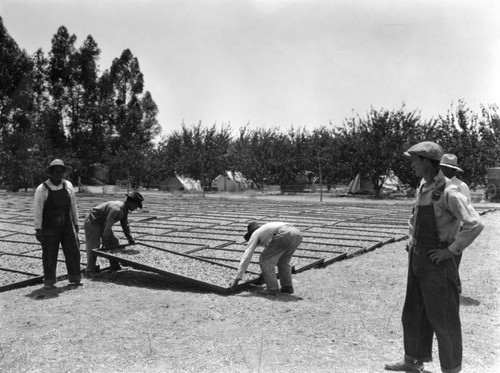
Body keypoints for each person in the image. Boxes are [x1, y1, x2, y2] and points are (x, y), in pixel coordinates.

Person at [385, 141, 484, 373]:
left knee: (444, 317)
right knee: (413, 311)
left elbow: (475, 224)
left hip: (437, 261)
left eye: (415, 161)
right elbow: (415, 217)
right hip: (418, 258)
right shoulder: (423, 187)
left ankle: (451, 369)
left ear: (427, 163)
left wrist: (450, 250)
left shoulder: (449, 192)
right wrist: (412, 240)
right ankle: (412, 361)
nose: (411, 166)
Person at [33, 159, 81, 289]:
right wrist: (38, 229)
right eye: (55, 171)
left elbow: (73, 206)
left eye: (60, 171)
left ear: (63, 173)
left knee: (73, 250)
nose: (58, 174)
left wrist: (76, 223)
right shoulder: (42, 189)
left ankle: (75, 277)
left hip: (67, 222)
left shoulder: (68, 185)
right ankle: (49, 281)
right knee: (49, 252)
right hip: (50, 224)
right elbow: (38, 210)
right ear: (50, 173)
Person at [231, 221, 302, 295]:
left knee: (264, 260)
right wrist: (265, 274)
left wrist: (237, 278)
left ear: (251, 233)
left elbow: (247, 255)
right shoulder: (266, 231)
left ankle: (272, 289)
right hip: (297, 233)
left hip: (284, 233)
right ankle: (287, 287)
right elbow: (273, 253)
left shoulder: (255, 234)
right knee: (283, 261)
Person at [84, 191, 144, 274]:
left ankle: (115, 266)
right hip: (93, 222)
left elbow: (125, 225)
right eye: (136, 205)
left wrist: (130, 238)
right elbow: (107, 227)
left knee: (114, 242)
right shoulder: (117, 209)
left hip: (102, 223)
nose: (136, 208)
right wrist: (104, 241)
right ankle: (90, 270)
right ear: (131, 202)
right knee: (94, 246)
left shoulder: (124, 209)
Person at [439, 153, 471, 294]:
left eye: (446, 168)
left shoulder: (460, 186)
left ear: (453, 170)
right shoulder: (439, 183)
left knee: (453, 260)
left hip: (456, 228)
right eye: (442, 167)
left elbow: (466, 210)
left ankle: (454, 289)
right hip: (441, 227)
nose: (443, 170)